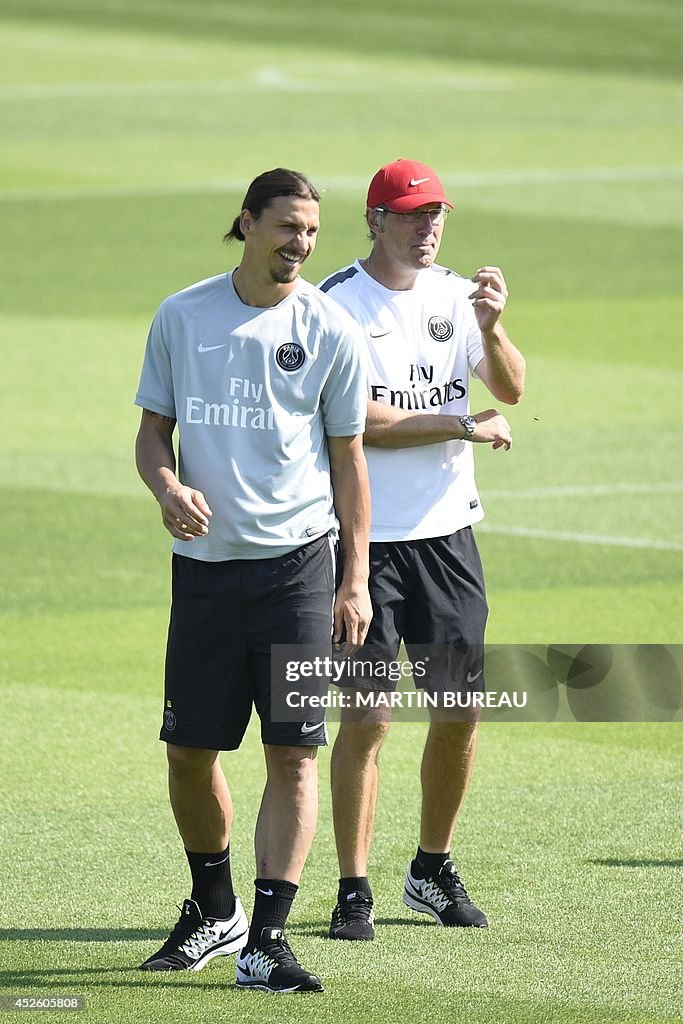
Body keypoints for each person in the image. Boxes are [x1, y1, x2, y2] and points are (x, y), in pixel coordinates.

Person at [134, 167, 372, 991]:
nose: (300, 244)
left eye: (310, 231)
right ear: (246, 224)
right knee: (188, 754)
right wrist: (167, 489)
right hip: (203, 573)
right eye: (285, 228)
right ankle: (213, 907)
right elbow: (151, 435)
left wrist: (355, 578)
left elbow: (348, 460)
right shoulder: (182, 314)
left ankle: (268, 938)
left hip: (299, 569)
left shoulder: (330, 328)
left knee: (294, 754)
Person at [318, 158, 525, 941]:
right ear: (373, 220)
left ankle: (430, 868)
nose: (426, 226)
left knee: (459, 710)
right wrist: (457, 424)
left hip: (447, 539)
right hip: (364, 543)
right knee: (367, 720)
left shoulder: (454, 298)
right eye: (409, 214)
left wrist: (491, 327)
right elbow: (356, 421)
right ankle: (352, 887)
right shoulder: (337, 302)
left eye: (434, 213)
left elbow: (510, 390)